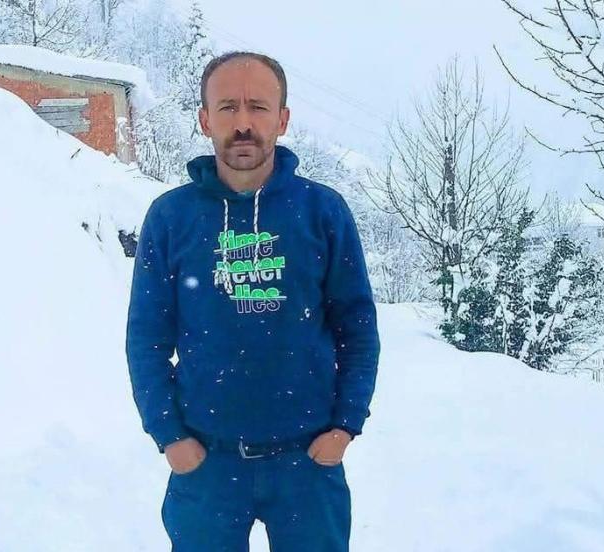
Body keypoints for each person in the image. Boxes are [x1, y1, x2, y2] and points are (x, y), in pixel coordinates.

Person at [125, 50, 380, 551]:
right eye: (228, 107)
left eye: (258, 107)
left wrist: (345, 426)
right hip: (207, 466)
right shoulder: (171, 217)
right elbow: (146, 339)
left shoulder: (322, 211)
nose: (243, 123)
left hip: (307, 463)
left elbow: (357, 329)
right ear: (205, 120)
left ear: (282, 119)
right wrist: (169, 435)